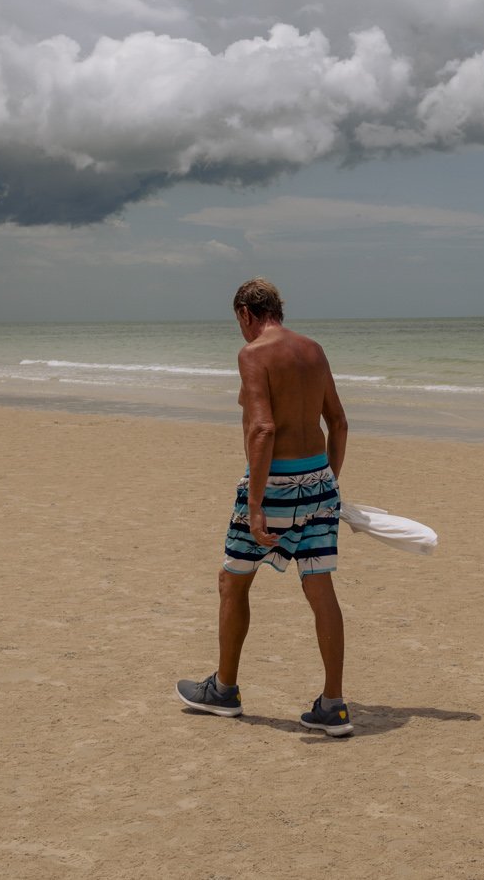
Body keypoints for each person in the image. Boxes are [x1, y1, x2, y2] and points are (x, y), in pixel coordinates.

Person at [176, 278, 352, 736]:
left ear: (245, 314)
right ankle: (333, 705)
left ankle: (224, 690)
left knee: (233, 580)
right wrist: (327, 482)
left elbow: (263, 429)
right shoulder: (313, 349)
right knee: (319, 587)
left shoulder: (253, 354)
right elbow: (338, 421)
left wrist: (256, 504)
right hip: (318, 479)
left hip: (272, 482)